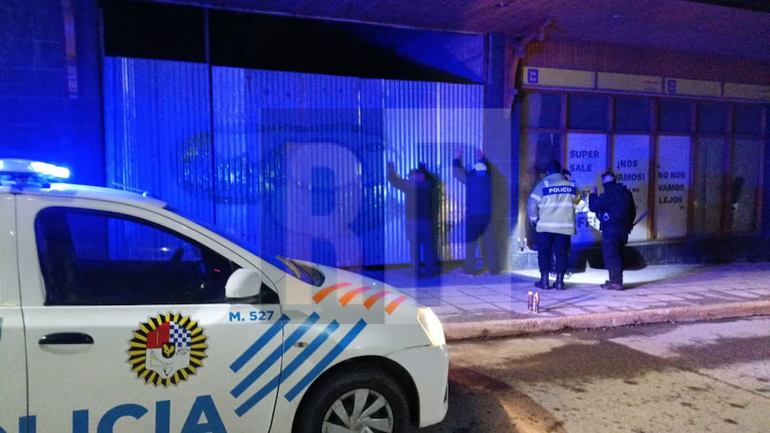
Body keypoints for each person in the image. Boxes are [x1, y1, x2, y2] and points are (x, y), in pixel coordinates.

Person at [527, 160, 581, 290]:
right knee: (562, 253)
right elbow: (577, 201)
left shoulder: (543, 185)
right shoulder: (570, 185)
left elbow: (531, 205)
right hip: (564, 227)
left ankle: (544, 281)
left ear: (548, 172)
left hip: (545, 227)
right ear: (560, 171)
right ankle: (560, 282)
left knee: (544, 253)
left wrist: (535, 220)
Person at [453, 148, 500, 275]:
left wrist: (457, 158)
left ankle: (469, 269)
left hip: (473, 216)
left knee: (471, 243)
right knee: (490, 243)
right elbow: (487, 170)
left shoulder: (471, 179)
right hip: (488, 216)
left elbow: (457, 173)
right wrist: (482, 159)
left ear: (475, 170)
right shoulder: (490, 179)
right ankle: (494, 270)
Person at [387, 161, 438, 278]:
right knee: (428, 247)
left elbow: (394, 180)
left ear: (412, 176)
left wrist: (391, 168)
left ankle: (416, 272)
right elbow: (432, 179)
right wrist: (423, 169)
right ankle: (430, 271)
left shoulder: (408, 185)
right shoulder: (428, 185)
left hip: (412, 221)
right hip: (426, 221)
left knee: (414, 248)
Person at [588, 171, 636, 290]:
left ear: (605, 182)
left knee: (610, 255)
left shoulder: (609, 193)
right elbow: (633, 211)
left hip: (610, 230)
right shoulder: (626, 193)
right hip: (623, 230)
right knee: (618, 254)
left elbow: (594, 207)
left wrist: (592, 195)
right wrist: (628, 225)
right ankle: (616, 279)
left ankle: (616, 281)